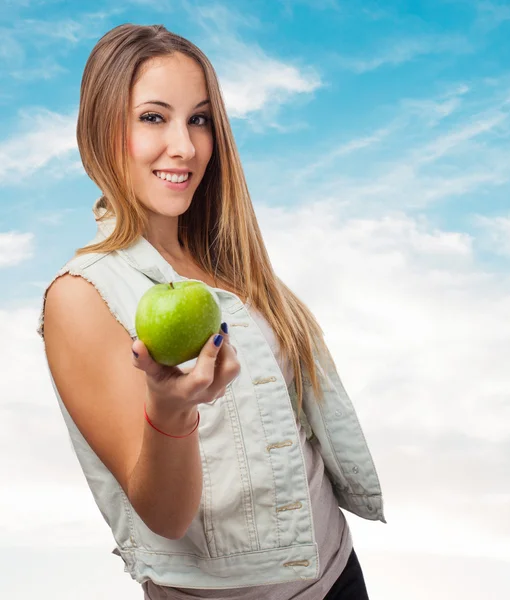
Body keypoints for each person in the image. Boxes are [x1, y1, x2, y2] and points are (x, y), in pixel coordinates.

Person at [36, 23, 386, 600]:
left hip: (337, 572)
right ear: (102, 129)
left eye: (199, 119)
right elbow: (164, 517)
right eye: (154, 117)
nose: (186, 146)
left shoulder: (229, 262)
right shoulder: (81, 296)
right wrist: (170, 414)